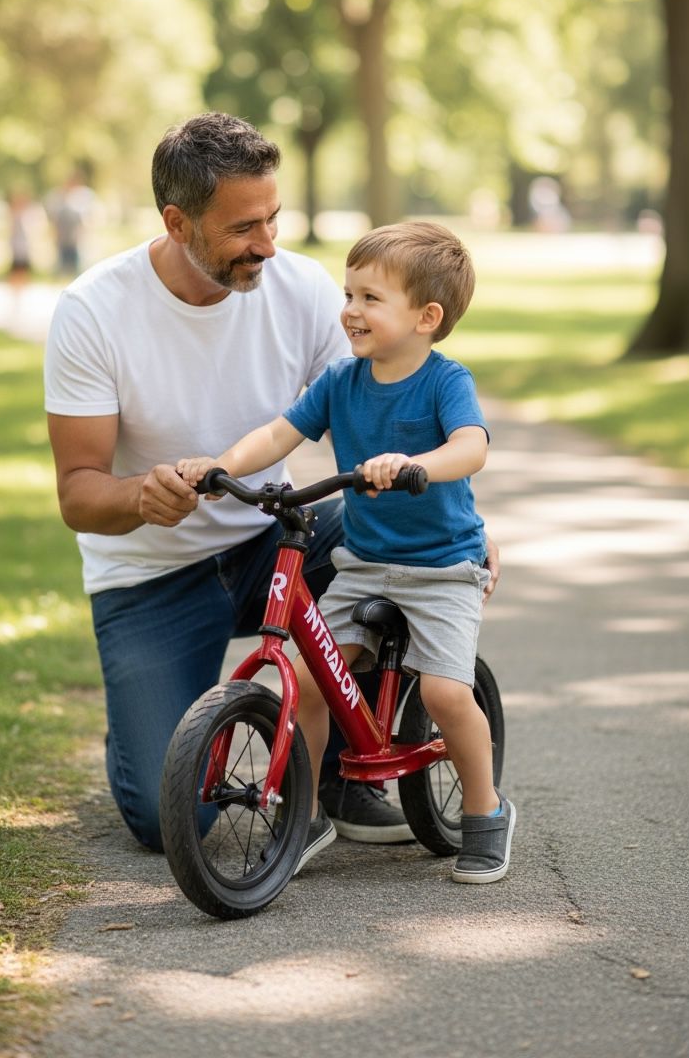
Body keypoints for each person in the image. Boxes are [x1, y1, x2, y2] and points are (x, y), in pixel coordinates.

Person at [44, 113, 500, 856]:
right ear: (176, 220)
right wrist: (141, 497)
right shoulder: (95, 312)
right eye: (244, 227)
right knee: (168, 822)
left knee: (396, 534)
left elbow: (388, 407)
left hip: (271, 535)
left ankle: (349, 772)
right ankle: (153, 718)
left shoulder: (301, 288)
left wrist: (461, 522)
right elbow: (78, 495)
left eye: (274, 217)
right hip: (154, 574)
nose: (268, 242)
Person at [179, 221, 515, 883]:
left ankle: (486, 813)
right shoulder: (342, 380)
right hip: (364, 564)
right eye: (348, 294)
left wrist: (413, 462)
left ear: (427, 317)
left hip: (442, 567)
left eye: (370, 298)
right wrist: (219, 467)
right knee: (304, 681)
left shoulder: (446, 381)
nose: (350, 311)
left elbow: (471, 446)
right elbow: (280, 432)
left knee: (447, 694)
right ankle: (303, 816)